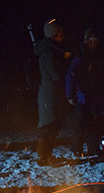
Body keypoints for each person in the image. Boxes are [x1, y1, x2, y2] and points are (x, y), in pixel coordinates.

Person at [65, 28, 104, 157]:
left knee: (94, 123)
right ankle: (76, 148)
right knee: (79, 124)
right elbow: (70, 75)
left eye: (96, 42)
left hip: (95, 95)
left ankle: (93, 148)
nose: (93, 44)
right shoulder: (80, 56)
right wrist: (70, 94)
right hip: (82, 95)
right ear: (86, 41)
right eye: (91, 42)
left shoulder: (99, 56)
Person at [33, 19, 71, 166]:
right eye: (60, 34)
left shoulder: (52, 50)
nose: (63, 37)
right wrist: (65, 61)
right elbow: (56, 75)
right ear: (54, 35)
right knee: (47, 126)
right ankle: (43, 157)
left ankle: (47, 155)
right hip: (48, 95)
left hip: (51, 94)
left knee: (52, 126)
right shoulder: (48, 53)